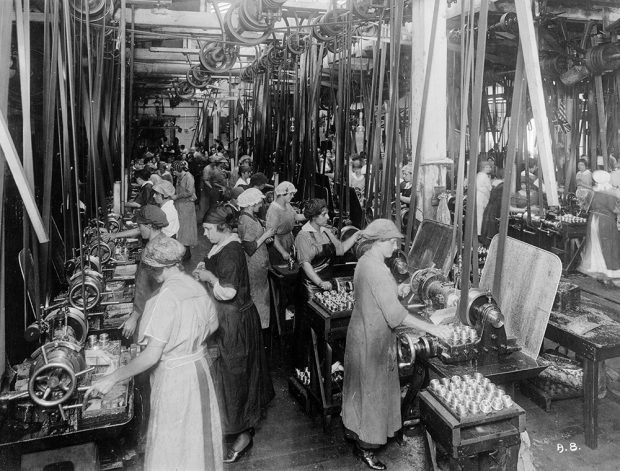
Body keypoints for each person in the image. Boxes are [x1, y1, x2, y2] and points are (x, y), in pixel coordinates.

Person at [86, 236, 223, 471]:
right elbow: (213, 325)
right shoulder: (196, 288)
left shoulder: (164, 299)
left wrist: (113, 377)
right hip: (198, 368)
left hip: (175, 378)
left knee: (171, 445)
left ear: (155, 269)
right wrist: (190, 344)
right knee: (197, 439)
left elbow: (151, 356)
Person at [341, 219, 451, 470]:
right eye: (391, 242)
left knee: (364, 389)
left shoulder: (367, 262)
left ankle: (361, 438)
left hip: (362, 333)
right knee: (371, 391)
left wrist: (397, 290)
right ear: (378, 242)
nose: (395, 246)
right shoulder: (377, 270)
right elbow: (396, 316)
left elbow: (379, 295)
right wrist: (434, 328)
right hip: (373, 339)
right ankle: (366, 447)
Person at [194, 206, 275, 463]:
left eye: (208, 230)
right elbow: (215, 263)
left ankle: (242, 436)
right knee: (229, 377)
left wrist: (208, 277)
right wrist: (205, 265)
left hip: (235, 322)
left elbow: (227, 292)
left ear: (222, 227)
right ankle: (234, 427)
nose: (205, 234)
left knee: (235, 376)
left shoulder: (231, 252)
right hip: (229, 320)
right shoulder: (225, 245)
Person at [237, 188, 275, 330]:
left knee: (260, 293)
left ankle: (260, 324)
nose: (261, 204)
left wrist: (265, 238)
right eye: (259, 202)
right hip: (254, 264)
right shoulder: (247, 221)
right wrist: (265, 236)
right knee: (258, 295)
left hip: (260, 262)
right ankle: (259, 326)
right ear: (251, 203)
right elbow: (250, 247)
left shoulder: (249, 217)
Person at [578, 170, 620, 286]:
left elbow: (586, 205)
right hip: (605, 222)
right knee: (609, 247)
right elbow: (614, 209)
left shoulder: (594, 192)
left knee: (597, 247)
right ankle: (609, 275)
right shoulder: (608, 193)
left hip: (594, 220)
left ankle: (601, 273)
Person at [266, 181, 305, 265]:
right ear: (282, 194)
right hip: (278, 245)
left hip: (288, 240)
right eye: (290, 194)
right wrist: (283, 252)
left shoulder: (287, 204)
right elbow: (272, 235)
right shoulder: (274, 210)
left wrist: (311, 215)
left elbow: (296, 216)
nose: (292, 196)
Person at [171, 160, 197, 261]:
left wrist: (177, 196)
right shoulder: (178, 177)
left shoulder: (189, 177)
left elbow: (189, 192)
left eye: (174, 171)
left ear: (178, 169)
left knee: (186, 230)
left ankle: (187, 254)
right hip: (180, 205)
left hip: (187, 206)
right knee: (180, 229)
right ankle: (183, 251)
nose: (173, 173)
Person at [476, 161, 493, 238]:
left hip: (478, 196)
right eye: (487, 167)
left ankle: (478, 231)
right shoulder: (484, 176)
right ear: (483, 168)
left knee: (479, 214)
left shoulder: (478, 175)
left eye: (489, 167)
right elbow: (489, 188)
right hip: (482, 196)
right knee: (481, 214)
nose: (489, 168)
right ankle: (480, 232)